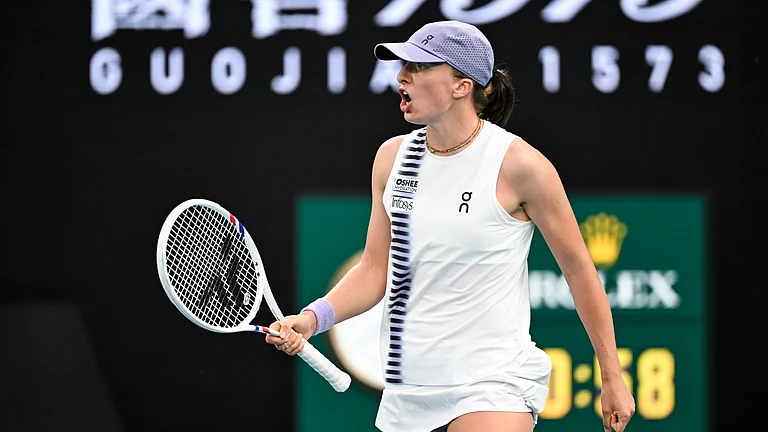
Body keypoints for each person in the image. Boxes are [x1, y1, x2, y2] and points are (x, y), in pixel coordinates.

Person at [266, 20, 635, 432]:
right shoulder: (391, 159)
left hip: (493, 384)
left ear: (462, 85)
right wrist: (313, 319)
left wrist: (612, 375)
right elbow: (375, 270)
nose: (401, 76)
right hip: (408, 390)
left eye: (420, 67)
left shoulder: (521, 166)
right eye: (402, 65)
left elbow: (579, 270)